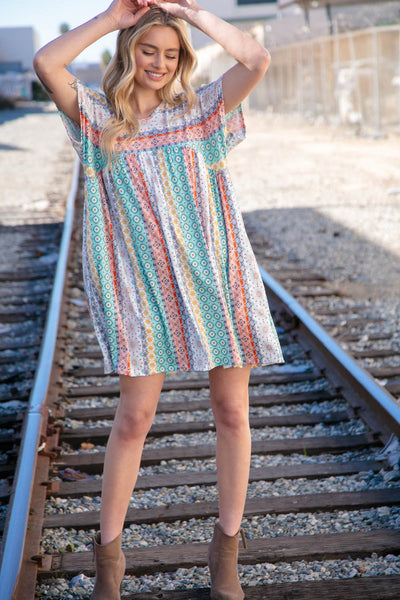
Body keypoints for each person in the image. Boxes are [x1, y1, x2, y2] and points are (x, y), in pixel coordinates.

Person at [34, 1, 283, 598]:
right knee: (134, 419)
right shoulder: (98, 119)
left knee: (231, 412)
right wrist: (115, 17)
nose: (160, 63)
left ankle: (225, 553)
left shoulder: (202, 112)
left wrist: (187, 13)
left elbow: (256, 56)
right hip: (139, 287)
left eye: (172, 54)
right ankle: (109, 561)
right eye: (150, 50)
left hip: (218, 277)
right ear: (129, 52)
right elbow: (47, 61)